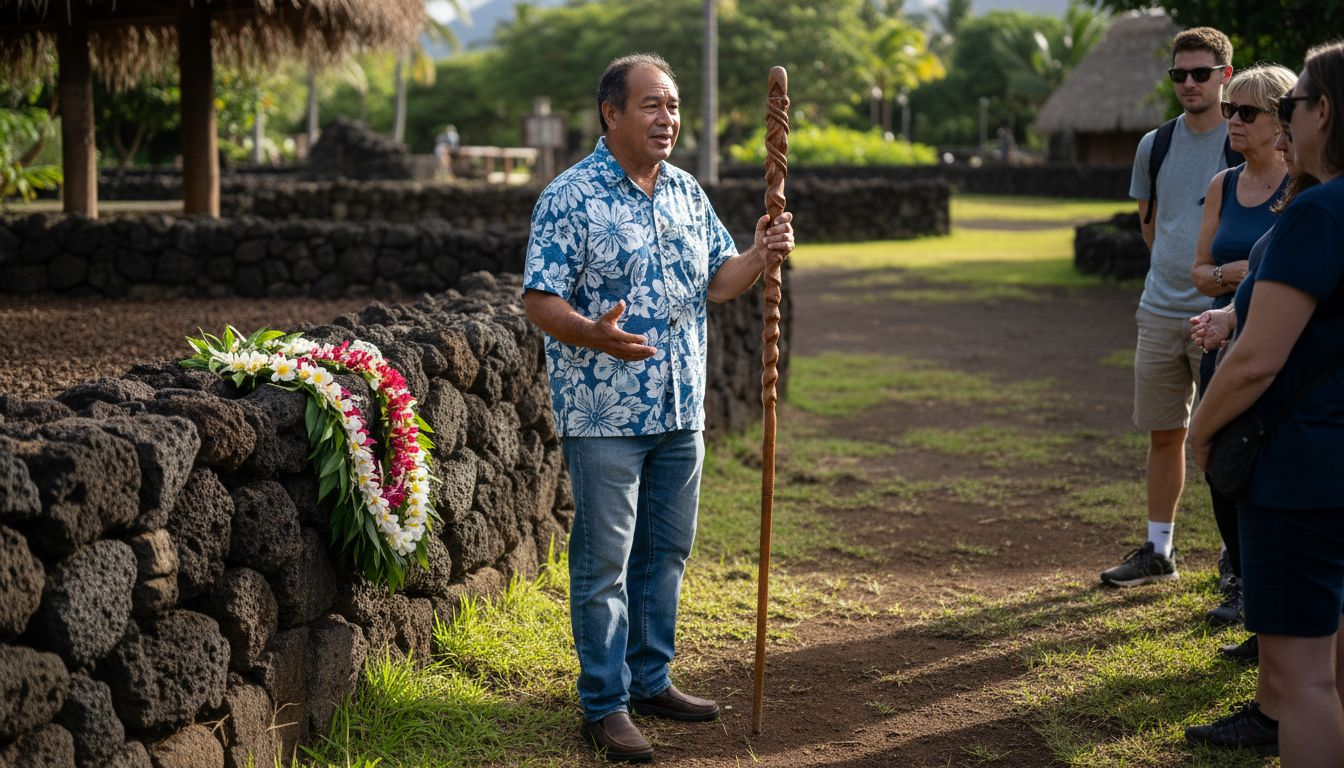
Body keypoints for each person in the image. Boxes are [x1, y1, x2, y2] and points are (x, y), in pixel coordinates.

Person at [521, 53, 795, 762]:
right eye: (652, 105)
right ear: (612, 114)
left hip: (680, 407)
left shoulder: (683, 191)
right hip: (605, 414)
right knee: (605, 563)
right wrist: (593, 335)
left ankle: (651, 679)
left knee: (666, 554)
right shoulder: (568, 196)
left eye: (672, 105)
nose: (668, 118)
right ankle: (603, 705)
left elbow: (717, 278)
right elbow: (538, 299)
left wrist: (761, 255)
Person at [1188, 41, 1344, 767]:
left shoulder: (1318, 213)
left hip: (1300, 468)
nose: (1282, 119)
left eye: (1291, 104)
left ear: (1325, 113)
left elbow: (1254, 361)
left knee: (1299, 678)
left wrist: (1200, 429)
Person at [1101, 27, 1237, 587]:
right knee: (1164, 432)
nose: (1188, 84)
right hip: (1160, 309)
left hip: (1228, 312)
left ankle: (1238, 562)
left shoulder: (1247, 138)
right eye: (1179, 74)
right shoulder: (1154, 144)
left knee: (1231, 438)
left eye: (1200, 73)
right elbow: (1150, 227)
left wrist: (1222, 291)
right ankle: (1160, 550)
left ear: (1225, 76)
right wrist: (1175, 281)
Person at [1188, 64, 1297, 625]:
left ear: (1282, 119)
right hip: (1223, 342)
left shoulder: (1302, 189)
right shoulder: (1222, 184)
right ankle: (1238, 579)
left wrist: (1233, 279)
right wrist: (1240, 279)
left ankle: (1260, 587)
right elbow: (1199, 273)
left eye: (1246, 111)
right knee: (1222, 463)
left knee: (1265, 468)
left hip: (1271, 346)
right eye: (1230, 109)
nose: (1233, 120)